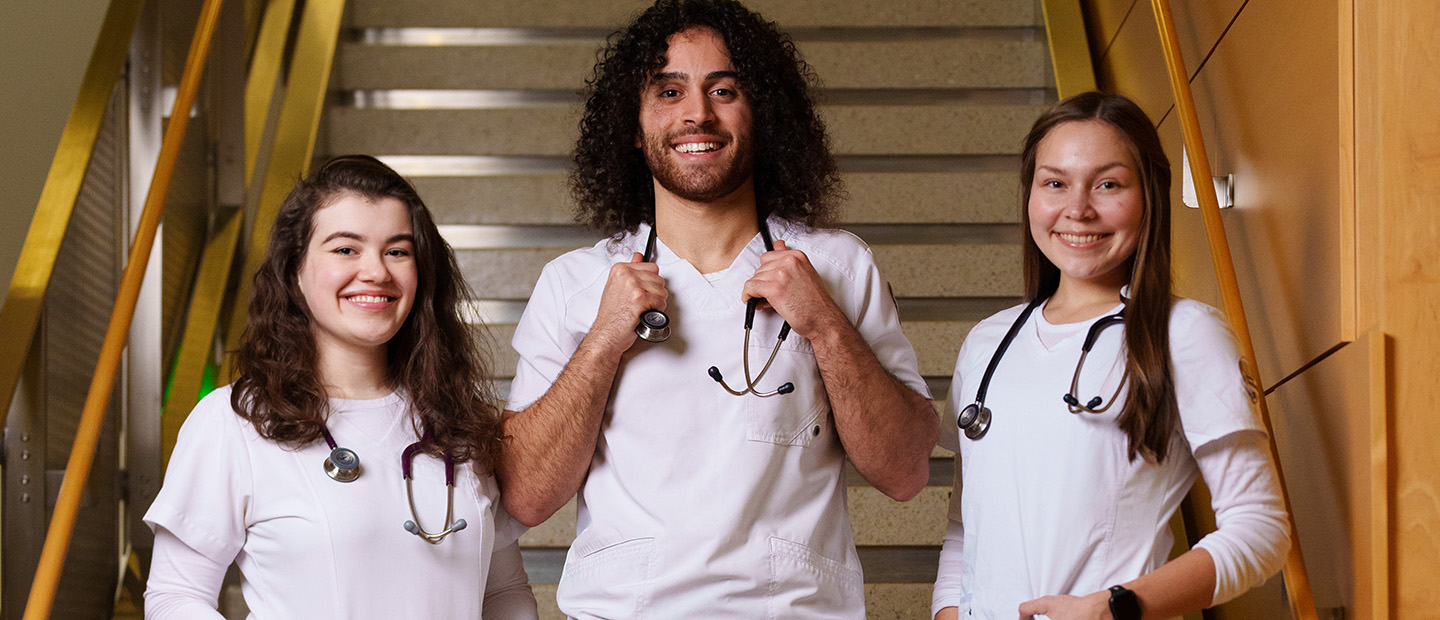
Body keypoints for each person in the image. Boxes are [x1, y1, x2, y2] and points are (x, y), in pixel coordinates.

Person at [497, 0, 940, 617]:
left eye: (723, 90)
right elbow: (523, 494)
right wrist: (601, 342)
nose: (697, 114)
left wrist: (824, 325)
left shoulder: (837, 268)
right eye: (669, 91)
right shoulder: (576, 284)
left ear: (761, 114)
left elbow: (906, 472)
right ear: (633, 125)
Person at [931, 92, 1291, 620]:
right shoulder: (988, 342)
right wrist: (947, 614)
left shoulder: (1184, 333)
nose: (1077, 209)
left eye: (1108, 185)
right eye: (1055, 183)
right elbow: (966, 526)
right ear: (1030, 195)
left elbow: (1260, 530)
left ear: (1150, 196)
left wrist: (1114, 607)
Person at [143, 155, 537, 619]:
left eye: (398, 251)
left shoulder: (458, 422)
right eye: (346, 249)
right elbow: (175, 597)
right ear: (295, 271)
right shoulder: (235, 423)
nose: (376, 272)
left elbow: (503, 592)